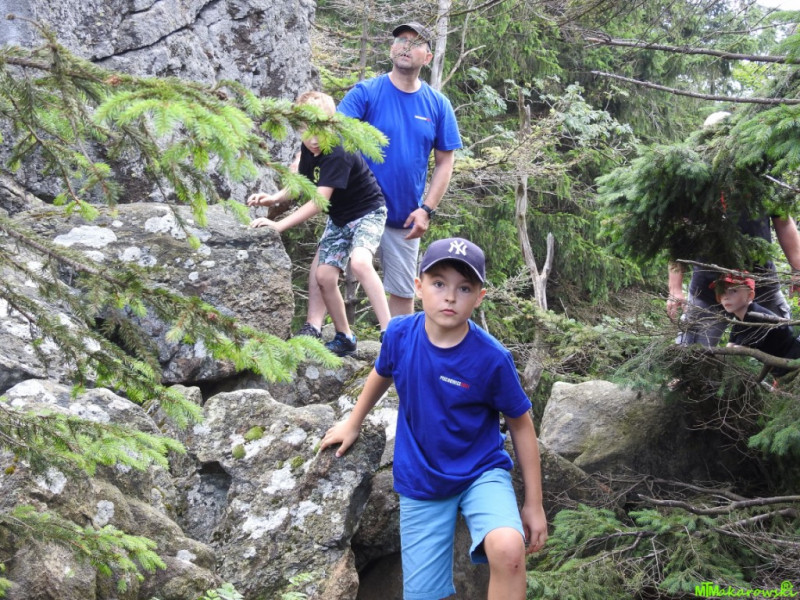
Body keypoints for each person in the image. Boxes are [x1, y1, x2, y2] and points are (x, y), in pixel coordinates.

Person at [319, 237, 548, 600]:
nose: (450, 297)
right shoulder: (400, 334)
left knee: (508, 548)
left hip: (481, 471)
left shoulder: (492, 358)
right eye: (439, 283)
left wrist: (533, 504)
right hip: (421, 478)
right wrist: (353, 422)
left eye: (464, 288)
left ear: (479, 297)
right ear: (418, 286)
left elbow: (521, 424)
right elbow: (381, 372)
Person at [295, 21, 463, 339]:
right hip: (355, 206)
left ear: (428, 57)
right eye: (400, 40)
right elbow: (327, 133)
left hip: (404, 214)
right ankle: (313, 327)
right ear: (390, 49)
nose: (405, 46)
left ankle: (397, 346)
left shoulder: (438, 105)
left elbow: (445, 162)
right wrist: (296, 171)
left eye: (415, 43)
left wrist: (427, 209)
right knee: (325, 266)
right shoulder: (366, 93)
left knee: (402, 289)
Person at [247, 91, 391, 357]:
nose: (313, 140)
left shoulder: (337, 151)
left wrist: (279, 225)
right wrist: (274, 197)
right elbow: (302, 184)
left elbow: (317, 202)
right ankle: (345, 336)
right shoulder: (309, 149)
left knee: (360, 263)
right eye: (306, 132)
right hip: (340, 218)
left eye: (320, 132)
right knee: (324, 276)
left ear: (332, 124)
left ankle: (389, 331)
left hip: (367, 212)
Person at [666, 112, 800, 347]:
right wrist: (675, 289)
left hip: (761, 284)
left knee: (784, 350)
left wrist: (798, 268)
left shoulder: (761, 175)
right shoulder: (693, 182)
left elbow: (784, 223)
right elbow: (679, 237)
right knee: (691, 357)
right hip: (708, 289)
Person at [711, 272, 800, 377]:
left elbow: (738, 350)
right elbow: (730, 347)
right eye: (721, 292)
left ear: (750, 295)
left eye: (733, 291)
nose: (725, 297)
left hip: (794, 360)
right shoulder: (739, 321)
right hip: (781, 365)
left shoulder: (756, 317)